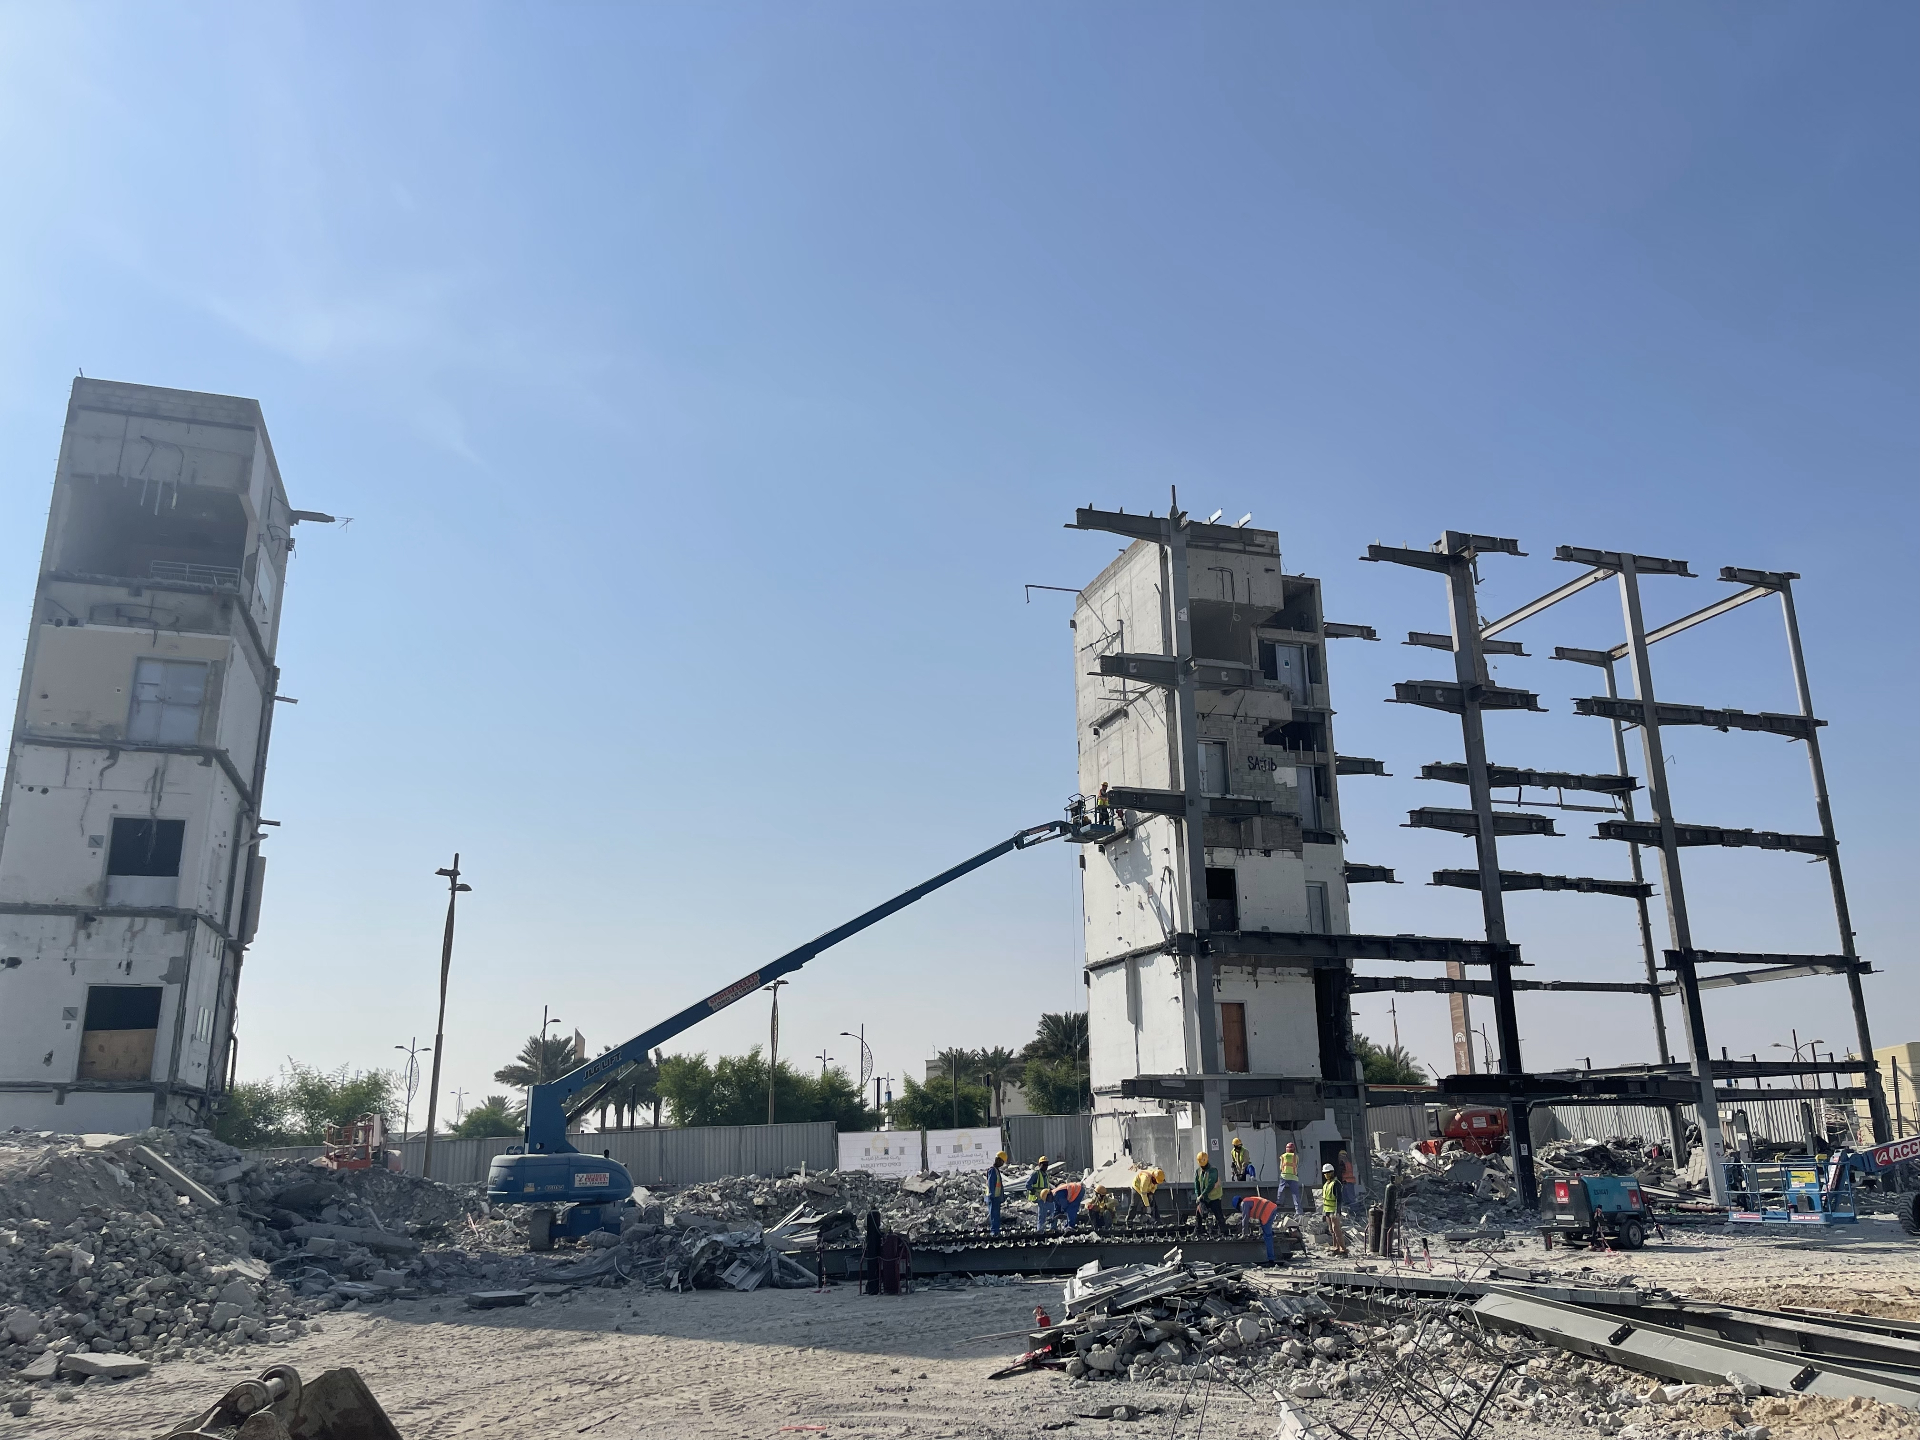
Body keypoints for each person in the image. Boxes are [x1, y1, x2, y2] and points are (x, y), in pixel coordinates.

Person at [1236, 1193, 1282, 1263]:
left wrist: (1244, 1234)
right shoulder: (1248, 1199)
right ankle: (1272, 1252)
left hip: (1267, 1211)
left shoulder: (1244, 1203)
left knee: (1267, 1236)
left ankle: (1271, 1259)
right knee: (1268, 1232)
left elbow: (1245, 1219)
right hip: (1272, 1208)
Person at [1194, 1151, 1226, 1236]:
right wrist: (1198, 1196)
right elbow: (1196, 1184)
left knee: (1218, 1215)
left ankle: (1223, 1232)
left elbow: (1210, 1185)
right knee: (1199, 1214)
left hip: (1214, 1197)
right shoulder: (1198, 1171)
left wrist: (1202, 1195)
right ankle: (1197, 1232)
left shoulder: (1213, 1170)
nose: (1202, 1166)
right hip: (1204, 1198)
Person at [1320, 1163, 1348, 1255]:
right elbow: (1325, 1200)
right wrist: (1324, 1213)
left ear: (1332, 1172)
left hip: (1334, 1210)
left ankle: (1343, 1249)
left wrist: (1337, 1211)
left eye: (1329, 1172)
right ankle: (1335, 1248)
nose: (1327, 1174)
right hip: (1327, 1210)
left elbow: (1339, 1199)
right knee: (1331, 1230)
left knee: (1336, 1229)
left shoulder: (1336, 1184)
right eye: (1325, 1173)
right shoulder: (1326, 1184)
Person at [1276, 1142, 1303, 1216]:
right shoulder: (1295, 1156)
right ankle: (1298, 1211)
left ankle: (1279, 1203)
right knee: (1295, 1194)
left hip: (1284, 1175)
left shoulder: (1283, 1156)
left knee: (1281, 1189)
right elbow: (1296, 1164)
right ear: (1293, 1149)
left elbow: (1281, 1167)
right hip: (1293, 1177)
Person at [986, 1151, 1008, 1235]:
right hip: (993, 1197)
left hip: (996, 1197)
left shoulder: (996, 1170)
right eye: (1002, 1162)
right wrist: (992, 1196)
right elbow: (991, 1184)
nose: (1002, 1164)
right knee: (994, 1216)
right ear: (998, 1160)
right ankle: (994, 1232)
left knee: (996, 1216)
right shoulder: (993, 1170)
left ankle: (996, 1231)